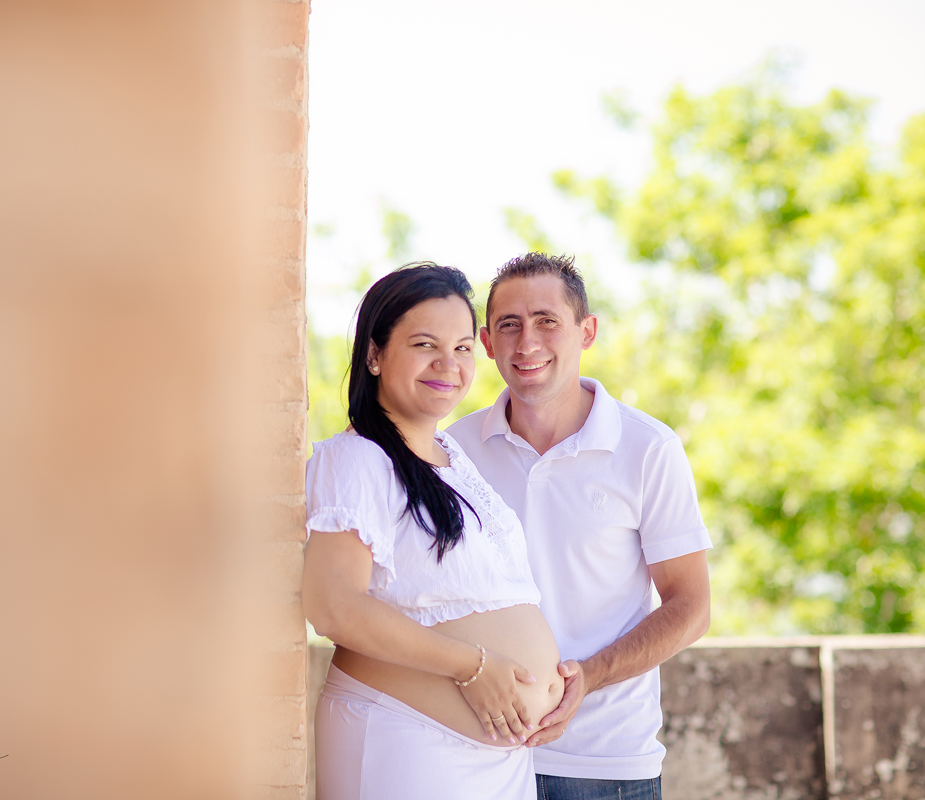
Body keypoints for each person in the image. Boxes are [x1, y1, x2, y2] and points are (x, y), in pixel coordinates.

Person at [447, 253, 712, 800]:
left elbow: (691, 607)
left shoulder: (647, 448)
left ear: (586, 331)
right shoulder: (452, 452)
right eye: (509, 325)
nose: (527, 343)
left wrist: (587, 677)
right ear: (487, 341)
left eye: (547, 321)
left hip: (605, 763)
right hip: (474, 754)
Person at [302, 263, 565, 800]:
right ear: (374, 354)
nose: (449, 364)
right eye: (426, 344)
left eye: (464, 348)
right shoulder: (357, 460)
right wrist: (474, 666)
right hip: (407, 743)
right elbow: (333, 607)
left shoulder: (456, 459)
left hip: (499, 762)